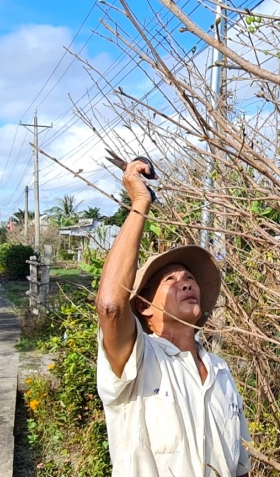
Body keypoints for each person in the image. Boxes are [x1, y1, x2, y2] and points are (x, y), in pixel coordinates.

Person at [95, 158, 251, 477]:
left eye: (189, 277)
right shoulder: (137, 361)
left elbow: (240, 464)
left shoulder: (221, 371)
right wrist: (140, 202)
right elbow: (111, 306)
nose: (186, 281)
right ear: (143, 307)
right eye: (170, 279)